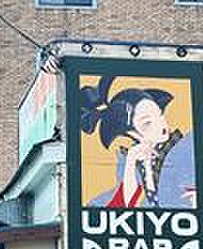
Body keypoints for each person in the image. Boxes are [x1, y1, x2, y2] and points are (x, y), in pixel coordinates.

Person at [80, 75, 196, 209]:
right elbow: (126, 205)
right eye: (147, 123)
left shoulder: (184, 146)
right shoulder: (130, 161)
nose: (161, 125)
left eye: (159, 114)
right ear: (131, 133)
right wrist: (131, 162)